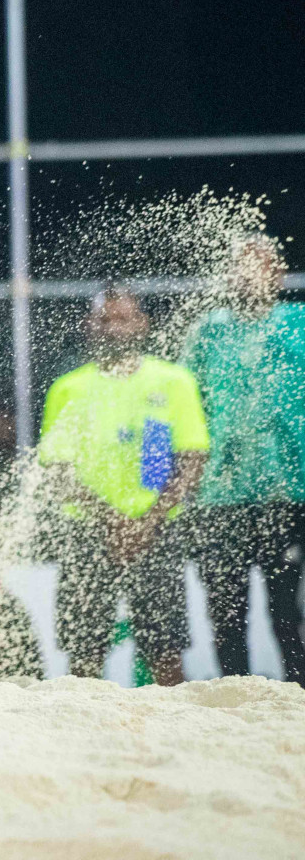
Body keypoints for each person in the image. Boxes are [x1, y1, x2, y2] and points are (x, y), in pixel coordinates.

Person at [38, 290, 209, 685]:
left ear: (142, 324)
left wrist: (147, 521)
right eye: (104, 320)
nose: (113, 329)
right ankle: (84, 739)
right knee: (84, 656)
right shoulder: (68, 388)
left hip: (158, 531)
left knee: (166, 653)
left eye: (123, 319)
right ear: (89, 327)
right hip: (87, 534)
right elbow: (56, 471)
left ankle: (174, 738)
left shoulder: (174, 381)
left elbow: (192, 460)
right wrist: (110, 519)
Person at [182, 236, 305, 685]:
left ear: (278, 274)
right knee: (227, 614)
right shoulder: (207, 330)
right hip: (219, 498)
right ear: (230, 275)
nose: (251, 275)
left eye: (262, 266)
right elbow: (181, 407)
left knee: (287, 609)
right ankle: (232, 695)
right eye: (242, 267)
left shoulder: (299, 323)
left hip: (288, 494)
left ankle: (298, 696)